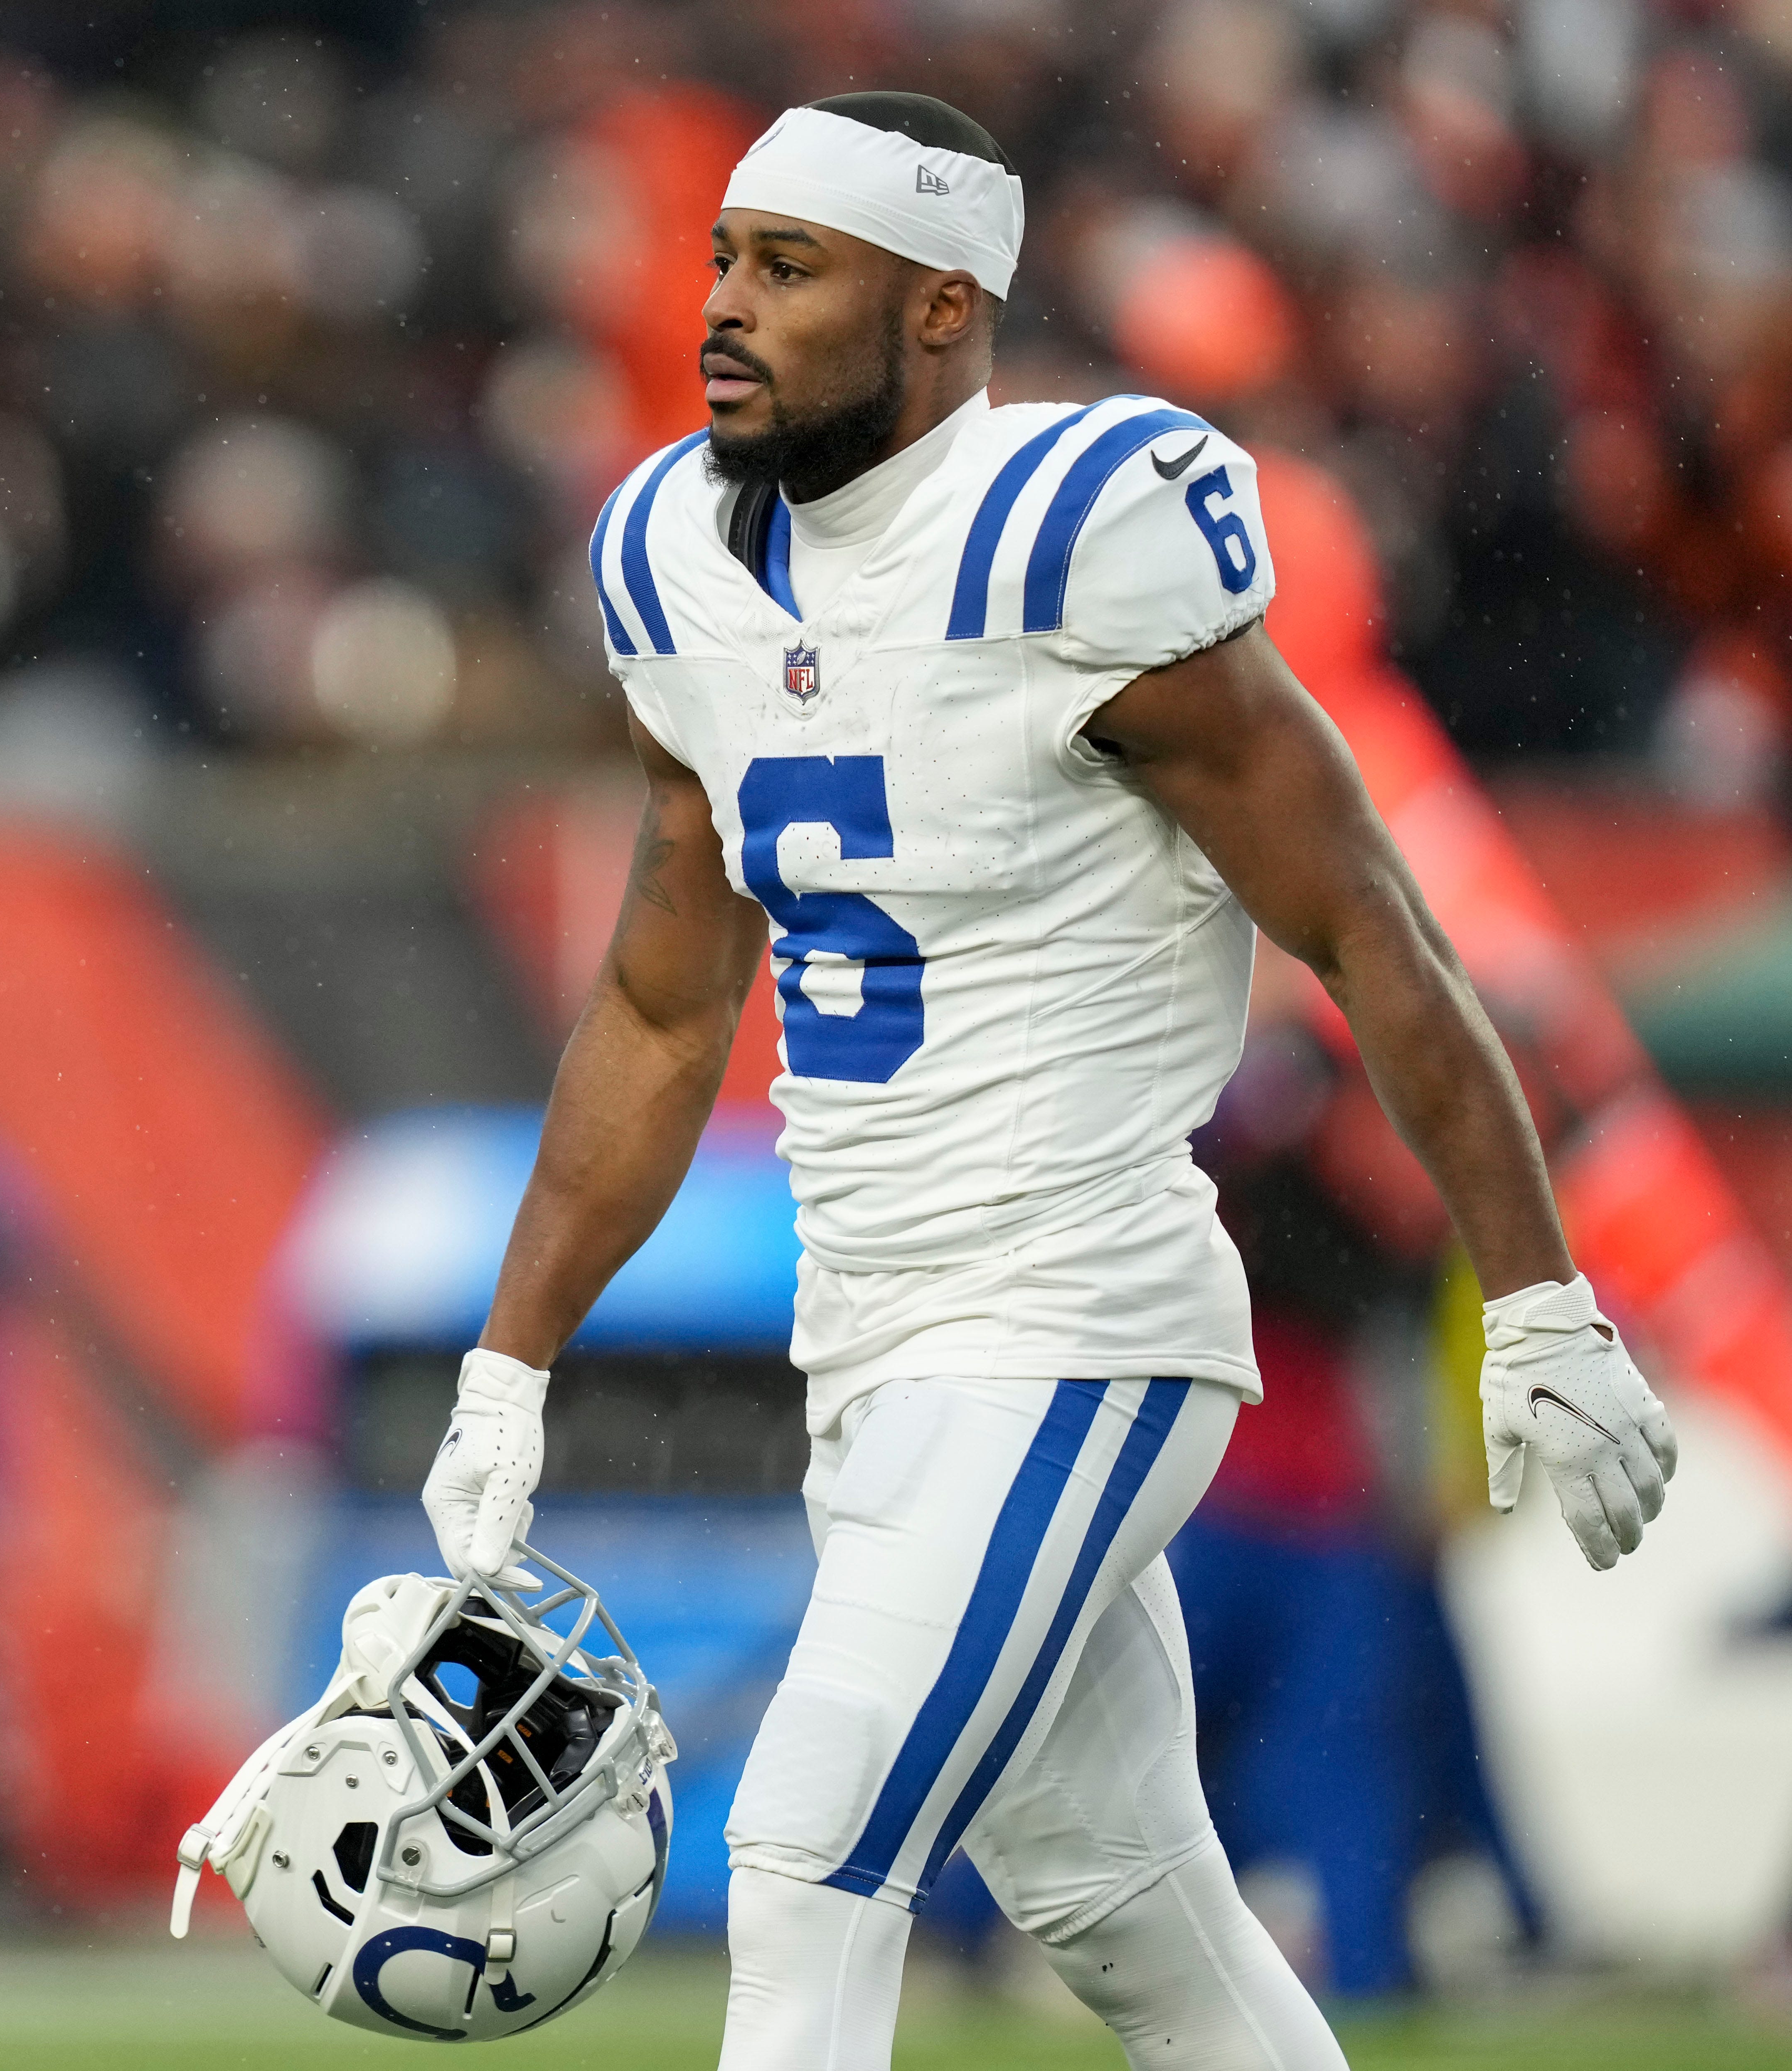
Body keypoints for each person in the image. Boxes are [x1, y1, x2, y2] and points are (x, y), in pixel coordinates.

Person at [417, 94, 1678, 2071]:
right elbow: (662, 1007)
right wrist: (511, 1364)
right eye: (724, 257)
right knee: (1131, 1910)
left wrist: (1539, 1296)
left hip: (1075, 1314)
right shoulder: (673, 552)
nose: (723, 307)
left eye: (790, 267)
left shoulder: (1073, 538)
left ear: (943, 307)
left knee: (808, 1850)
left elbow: (1369, 929)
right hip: (874, 1332)